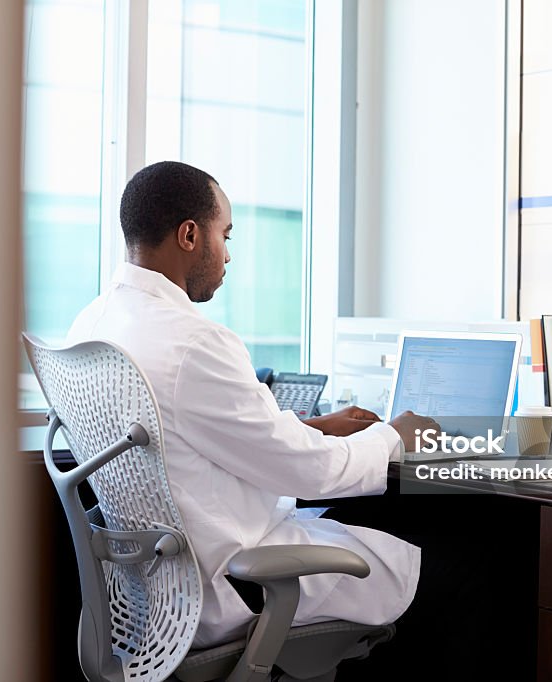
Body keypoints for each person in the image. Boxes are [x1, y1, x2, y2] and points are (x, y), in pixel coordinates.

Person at [66, 160, 436, 649]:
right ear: (190, 235)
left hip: (155, 591)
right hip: (235, 585)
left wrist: (315, 426)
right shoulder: (193, 343)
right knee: (462, 571)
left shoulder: (92, 324)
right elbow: (313, 472)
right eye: (227, 235)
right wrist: (392, 435)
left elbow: (188, 441)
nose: (228, 255)